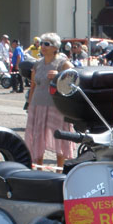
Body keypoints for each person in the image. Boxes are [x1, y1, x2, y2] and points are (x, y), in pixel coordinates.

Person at [24, 33, 76, 169]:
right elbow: (33, 86)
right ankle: (38, 168)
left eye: (47, 44)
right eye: (42, 43)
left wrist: (59, 76)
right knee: (37, 137)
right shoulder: (37, 64)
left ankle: (60, 169)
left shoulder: (62, 63)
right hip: (38, 104)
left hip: (56, 106)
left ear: (55, 47)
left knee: (59, 136)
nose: (43, 46)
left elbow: (74, 78)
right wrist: (29, 105)